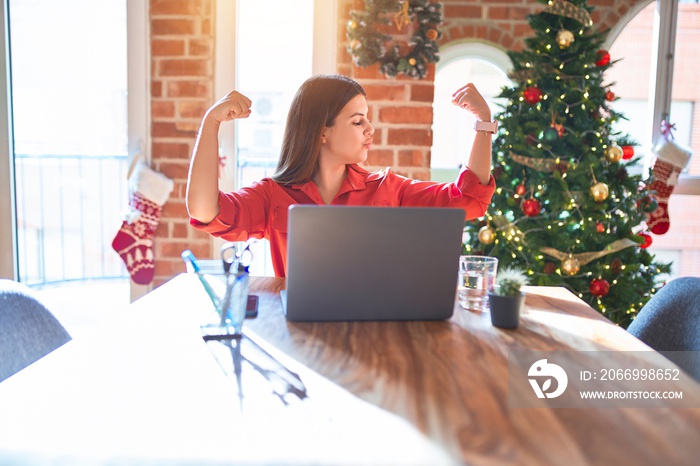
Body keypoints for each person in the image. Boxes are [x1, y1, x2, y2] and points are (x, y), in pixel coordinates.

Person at [186, 74, 496, 277]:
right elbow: (205, 211)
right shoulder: (273, 195)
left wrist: (484, 123)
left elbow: (468, 199)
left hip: (374, 335)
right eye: (358, 121)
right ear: (323, 131)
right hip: (301, 337)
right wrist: (211, 122)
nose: (370, 130)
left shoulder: (388, 188)